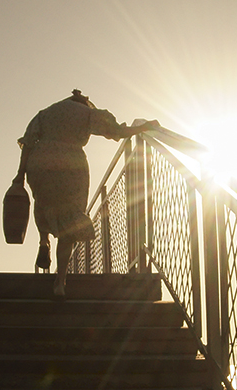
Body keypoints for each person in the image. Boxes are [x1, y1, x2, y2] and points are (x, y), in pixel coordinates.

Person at [14, 89, 158, 297]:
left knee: (44, 205)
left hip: (41, 163)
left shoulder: (45, 114)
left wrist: (20, 175)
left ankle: (43, 240)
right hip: (71, 166)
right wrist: (144, 127)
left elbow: (27, 143)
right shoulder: (88, 114)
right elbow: (116, 131)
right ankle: (60, 283)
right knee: (70, 223)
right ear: (84, 103)